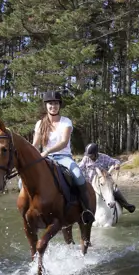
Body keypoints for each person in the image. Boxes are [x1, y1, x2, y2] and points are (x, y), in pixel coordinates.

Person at [32, 91, 94, 225]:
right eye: (50, 104)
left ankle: (86, 210)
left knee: (78, 176)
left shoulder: (66, 122)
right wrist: (32, 156)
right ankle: (30, 209)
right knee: (22, 182)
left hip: (63, 156)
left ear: (59, 106)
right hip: (45, 158)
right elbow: (35, 144)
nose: (53, 106)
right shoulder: (39, 124)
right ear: (46, 106)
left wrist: (47, 151)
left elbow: (64, 142)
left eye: (55, 103)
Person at [79, 143, 136, 213]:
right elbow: (80, 168)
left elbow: (116, 161)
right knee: (81, 195)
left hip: (105, 183)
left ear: (96, 154)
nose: (89, 157)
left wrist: (117, 165)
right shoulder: (86, 159)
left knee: (115, 191)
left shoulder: (104, 157)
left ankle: (127, 205)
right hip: (90, 184)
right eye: (88, 155)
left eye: (91, 155)